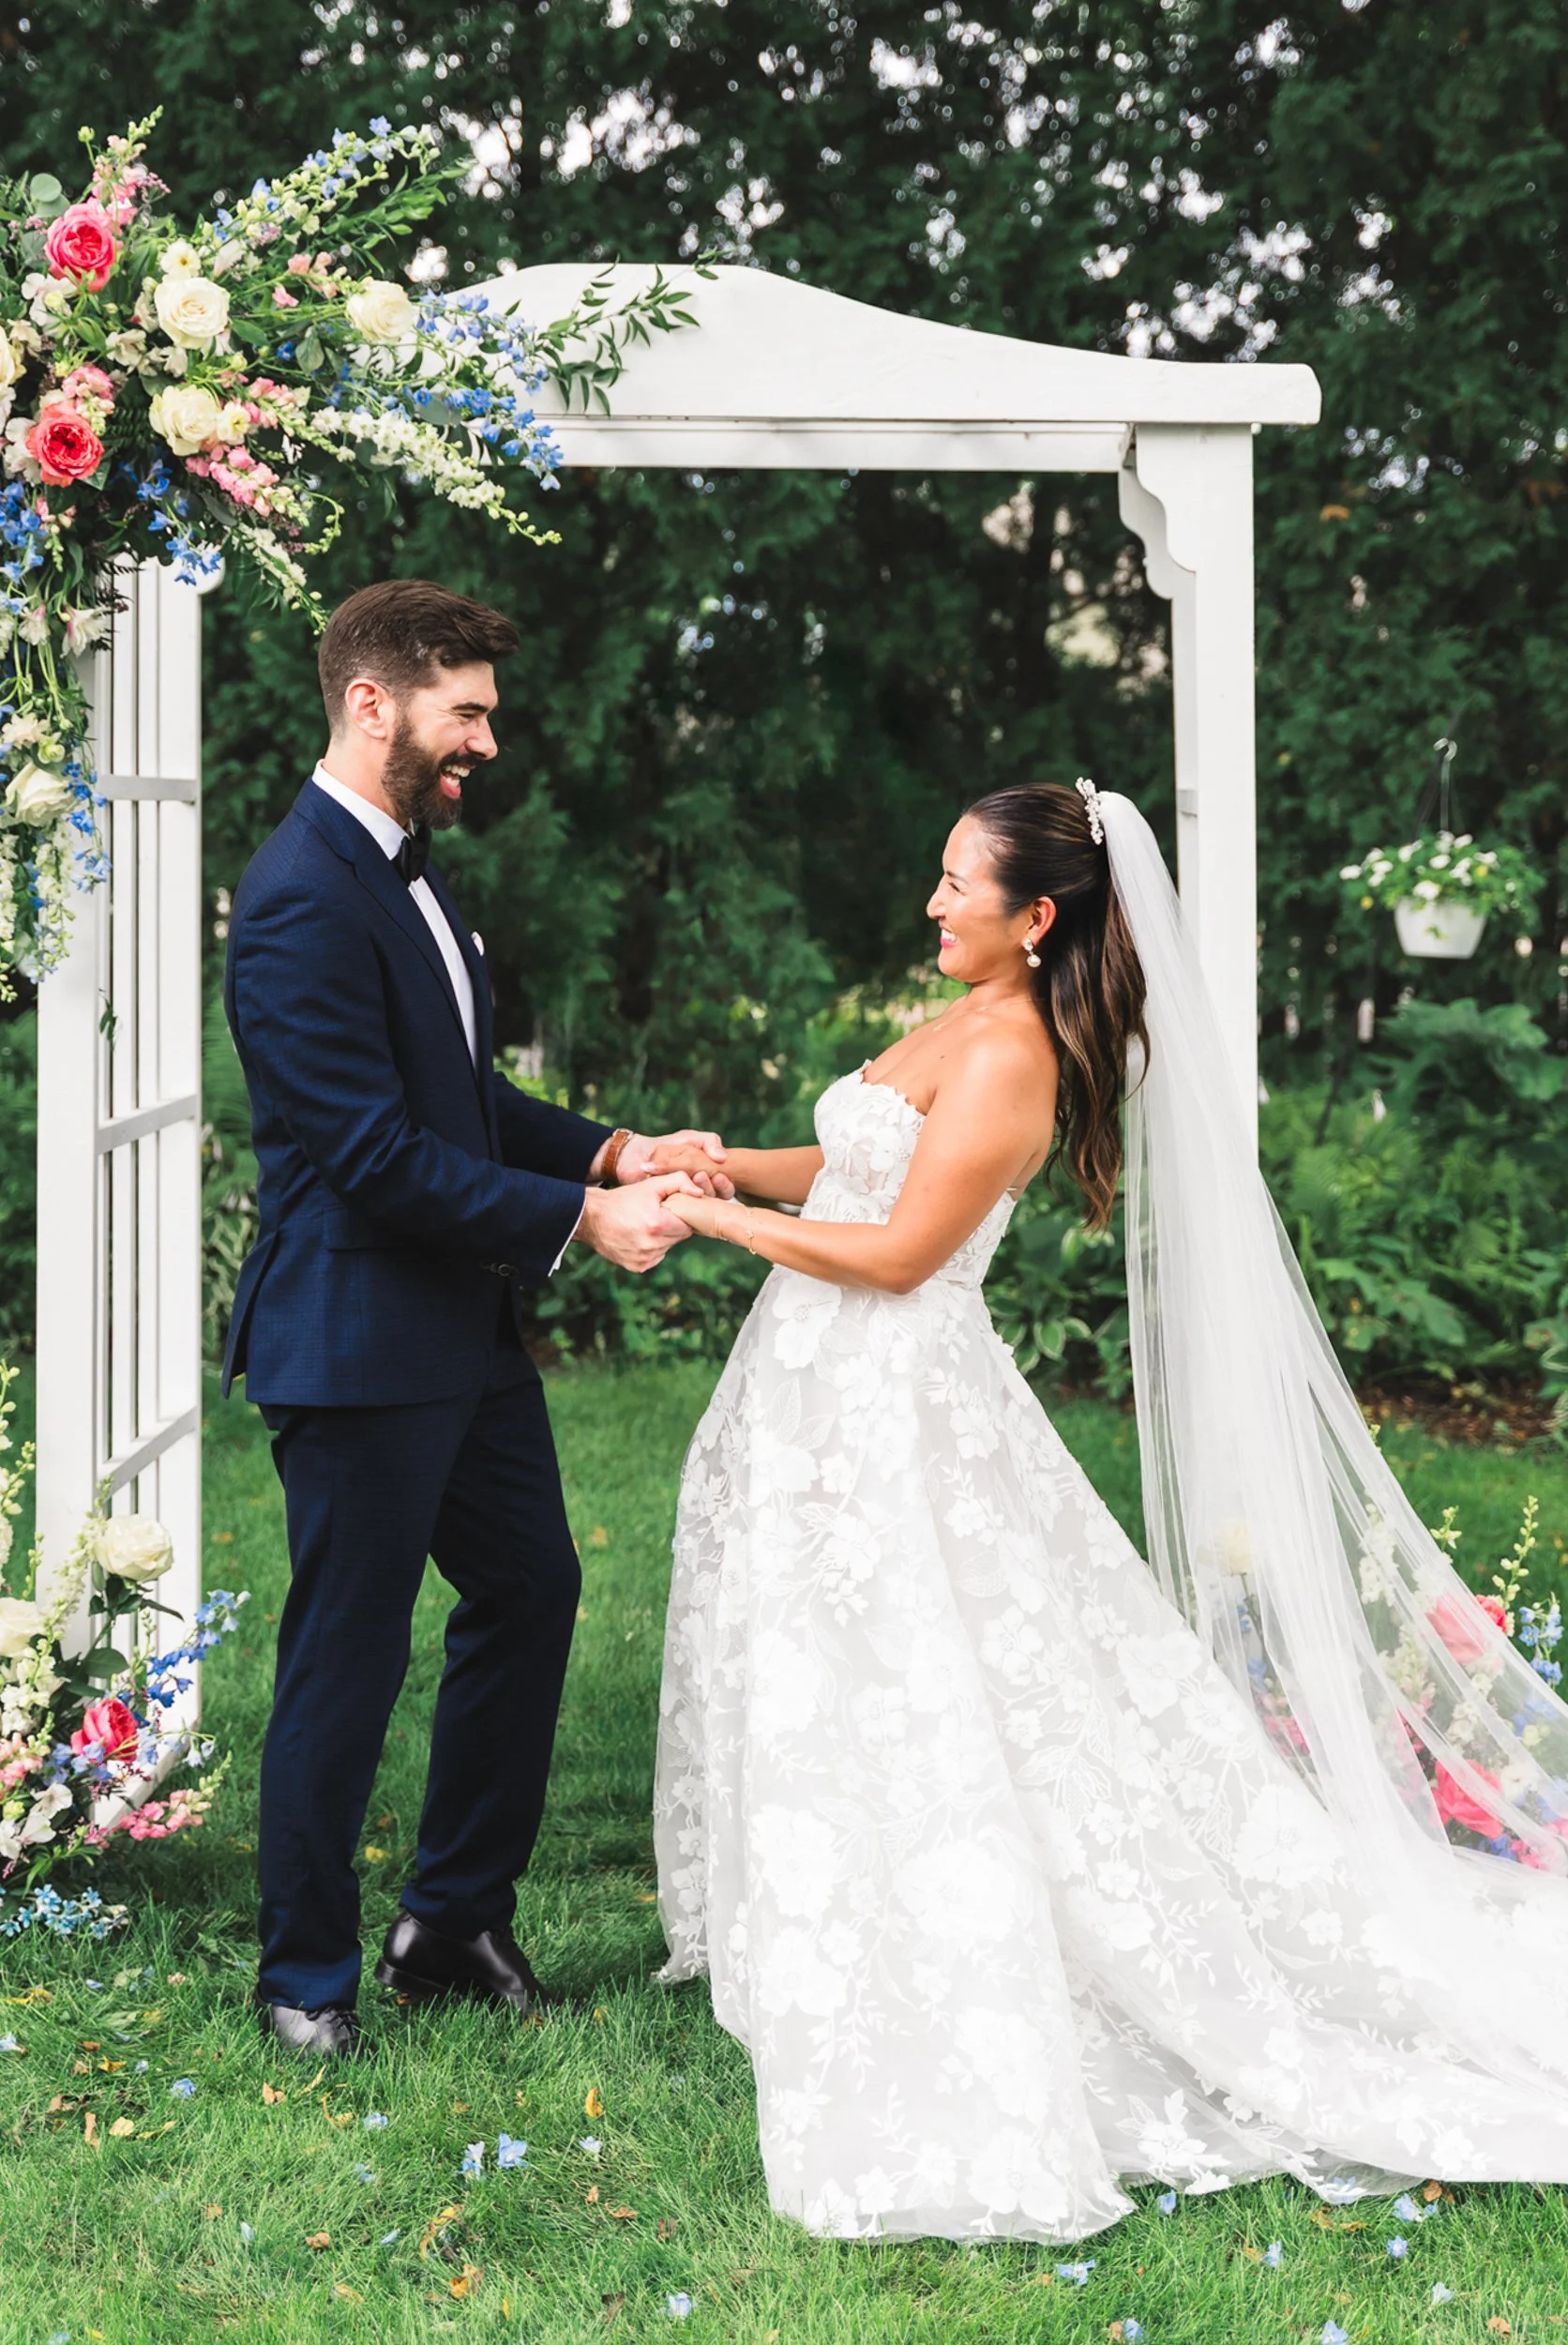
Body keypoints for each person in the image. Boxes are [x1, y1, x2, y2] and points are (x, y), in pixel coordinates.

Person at [656, 778, 1568, 2243]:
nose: (937, 901)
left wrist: (708, 1222)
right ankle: (840, 1910)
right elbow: (845, 1170)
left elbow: (895, 1256)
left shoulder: (1015, 1049)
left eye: (963, 885)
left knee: (945, 1676)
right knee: (849, 1667)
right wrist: (710, 1160)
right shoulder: (954, 1014)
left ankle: (976, 1928)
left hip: (900, 1408)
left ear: (1039, 917)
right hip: (822, 1391)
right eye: (943, 875)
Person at [223, 578, 731, 2060]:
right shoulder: (300, 897)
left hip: (463, 1330)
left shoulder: (414, 874)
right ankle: (304, 1980)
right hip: (358, 1343)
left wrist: (609, 1152)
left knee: (530, 1590)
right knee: (349, 1656)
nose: (488, 743)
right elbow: (372, 1157)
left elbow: (463, 1101)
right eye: (469, 713)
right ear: (372, 701)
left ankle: (451, 1922)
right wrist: (581, 1222)